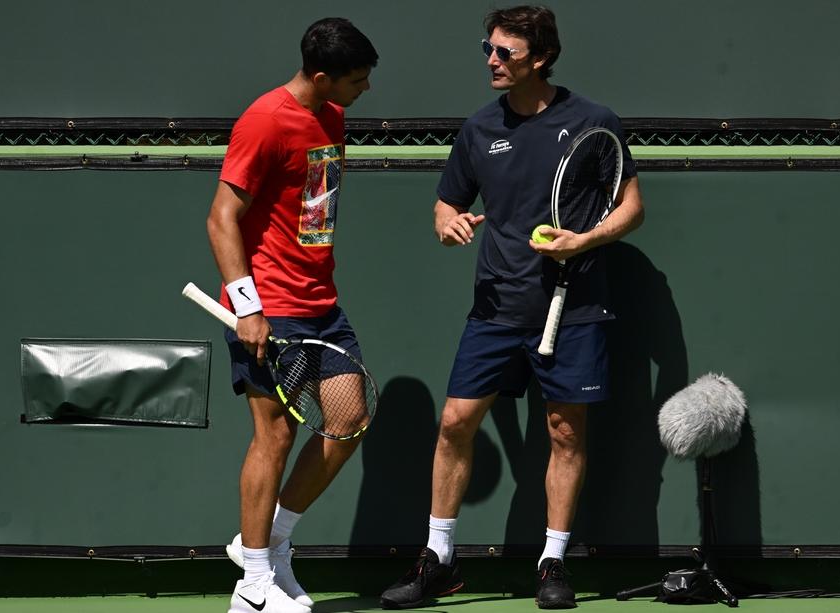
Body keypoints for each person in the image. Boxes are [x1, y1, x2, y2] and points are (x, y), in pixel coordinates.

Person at [379, 5, 643, 610]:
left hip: (573, 309)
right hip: (496, 307)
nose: (492, 61)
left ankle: (552, 563)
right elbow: (447, 203)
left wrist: (584, 240)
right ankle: (437, 559)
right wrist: (448, 223)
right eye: (487, 50)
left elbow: (631, 207)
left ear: (541, 59)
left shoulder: (593, 122)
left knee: (564, 433)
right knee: (453, 424)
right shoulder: (477, 129)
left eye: (505, 52)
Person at [205, 17, 378, 613]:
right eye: (357, 79)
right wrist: (248, 307)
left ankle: (269, 543)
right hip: (270, 308)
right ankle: (253, 586)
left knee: (347, 421)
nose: (365, 89)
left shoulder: (332, 115)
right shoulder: (263, 121)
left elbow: (312, 212)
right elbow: (221, 217)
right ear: (323, 75)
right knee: (273, 437)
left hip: (322, 302)